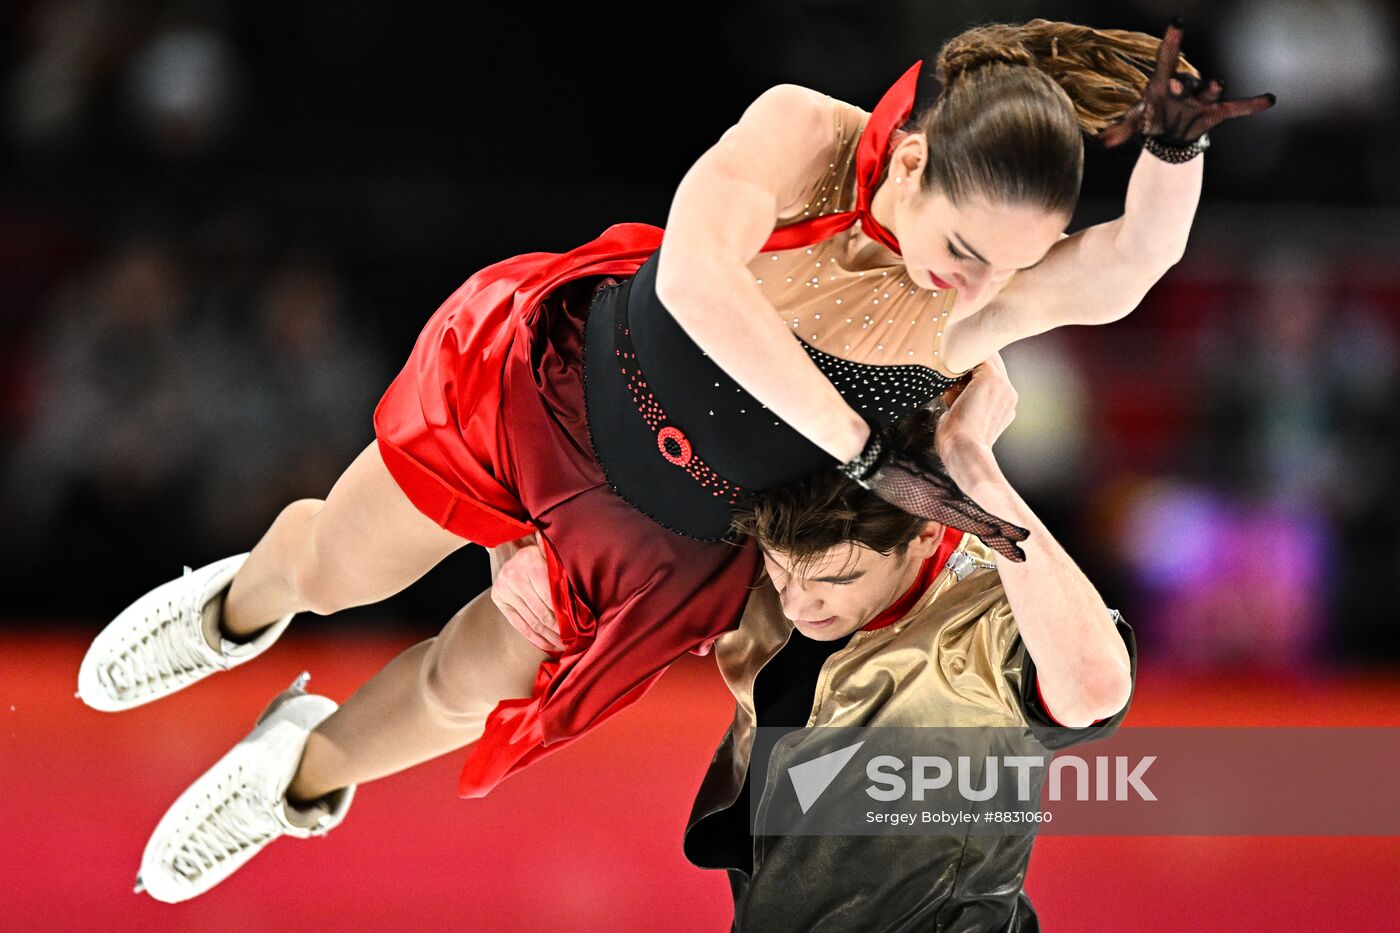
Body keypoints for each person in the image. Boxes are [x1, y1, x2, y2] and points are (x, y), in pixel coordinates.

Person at [77, 19, 1267, 903]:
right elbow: (698, 282)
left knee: (467, 684)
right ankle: (234, 607)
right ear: (906, 163)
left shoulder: (961, 310)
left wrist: (1171, 158)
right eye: (962, 247)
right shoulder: (802, 134)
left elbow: (1121, 271)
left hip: (665, 535)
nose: (974, 285)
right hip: (545, 400)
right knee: (337, 567)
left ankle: (293, 776)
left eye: (1006, 268)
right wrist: (854, 443)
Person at [492, 357, 1134, 930]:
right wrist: (513, 545)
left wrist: (971, 462)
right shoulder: (752, 538)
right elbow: (517, 416)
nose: (798, 605)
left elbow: (1095, 690)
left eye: (838, 579)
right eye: (780, 569)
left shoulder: (996, 611)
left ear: (923, 533)